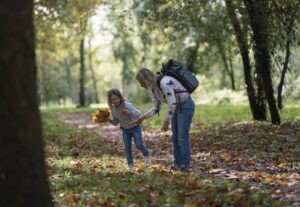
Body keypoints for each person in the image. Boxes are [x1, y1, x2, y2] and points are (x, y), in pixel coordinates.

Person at [129, 68, 195, 172]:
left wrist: (166, 121)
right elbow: (156, 108)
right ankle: (177, 164)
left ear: (146, 79)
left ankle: (184, 165)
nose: (141, 85)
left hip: (185, 105)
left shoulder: (165, 83)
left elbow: (172, 103)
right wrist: (141, 118)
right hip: (176, 108)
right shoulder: (152, 88)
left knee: (182, 137)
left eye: (141, 82)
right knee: (175, 138)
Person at [106, 88, 151, 172]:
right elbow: (116, 122)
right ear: (110, 101)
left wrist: (130, 113)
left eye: (117, 98)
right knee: (127, 148)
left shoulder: (127, 105)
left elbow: (139, 113)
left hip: (135, 127)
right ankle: (130, 165)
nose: (115, 101)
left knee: (138, 144)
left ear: (120, 97)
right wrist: (109, 120)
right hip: (125, 130)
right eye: (113, 99)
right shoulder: (113, 110)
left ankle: (147, 155)